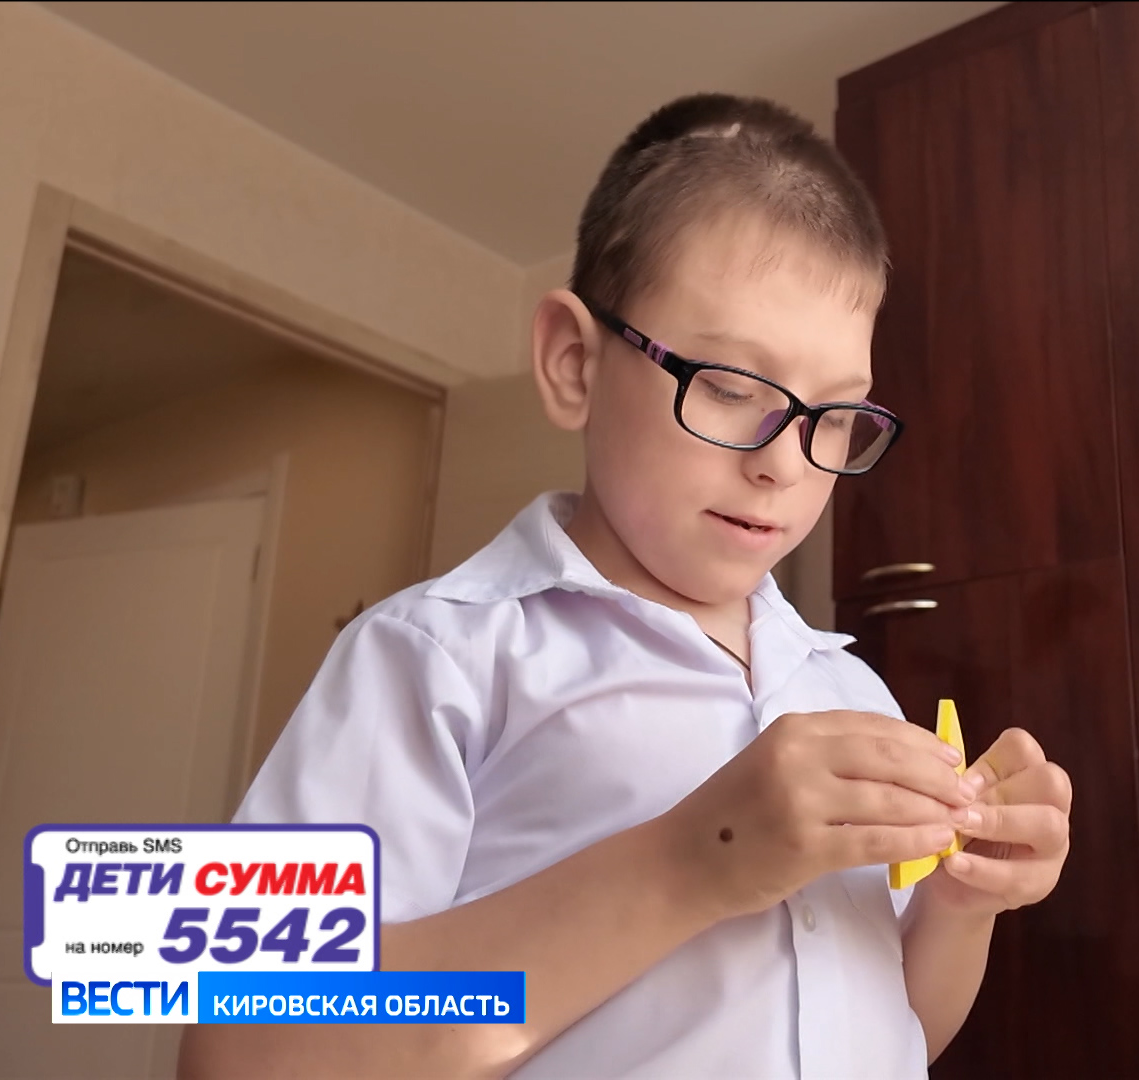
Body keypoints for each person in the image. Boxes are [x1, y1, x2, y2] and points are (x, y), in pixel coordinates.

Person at [178, 92, 1073, 1079]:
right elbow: (240, 1046)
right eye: (730, 388)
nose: (785, 464)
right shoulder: (431, 660)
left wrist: (962, 906)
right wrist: (693, 861)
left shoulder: (851, 691)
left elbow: (895, 1032)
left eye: (834, 417)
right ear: (575, 363)